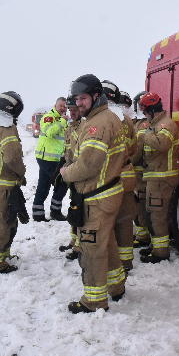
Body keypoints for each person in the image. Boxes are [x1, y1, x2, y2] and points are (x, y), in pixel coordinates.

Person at [60, 74, 127, 313]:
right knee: (105, 242)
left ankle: (95, 300)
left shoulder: (97, 124)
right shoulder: (104, 118)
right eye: (77, 99)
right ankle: (117, 285)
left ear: (96, 96)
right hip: (106, 192)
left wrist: (65, 172)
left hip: (98, 196)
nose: (79, 103)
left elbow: (88, 165)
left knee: (91, 249)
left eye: (84, 98)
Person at [0, 91, 29, 273]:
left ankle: (3, 254)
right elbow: (12, 158)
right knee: (2, 223)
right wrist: (21, 173)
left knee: (8, 220)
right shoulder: (7, 129)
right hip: (3, 184)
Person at [134, 91, 179, 263]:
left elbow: (162, 144)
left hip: (162, 179)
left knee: (158, 215)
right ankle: (156, 246)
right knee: (153, 214)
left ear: (152, 109)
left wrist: (145, 134)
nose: (143, 114)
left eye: (144, 111)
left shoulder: (165, 125)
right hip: (155, 177)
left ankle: (161, 253)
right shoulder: (155, 124)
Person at [102, 80, 137, 271]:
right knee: (124, 221)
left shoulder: (99, 120)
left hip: (107, 179)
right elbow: (133, 147)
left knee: (105, 222)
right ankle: (126, 261)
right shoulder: (126, 120)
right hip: (127, 175)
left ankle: (110, 262)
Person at [32, 97, 69, 222]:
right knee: (62, 183)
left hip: (56, 159)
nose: (63, 108)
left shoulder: (62, 119)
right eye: (61, 105)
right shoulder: (49, 117)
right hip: (47, 158)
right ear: (55, 105)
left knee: (44, 184)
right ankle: (55, 211)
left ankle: (38, 214)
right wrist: (63, 122)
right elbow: (50, 132)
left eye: (65, 106)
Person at [58, 95, 82, 260]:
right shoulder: (70, 127)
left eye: (74, 110)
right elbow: (68, 151)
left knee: (81, 212)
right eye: (70, 110)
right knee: (73, 208)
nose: (71, 113)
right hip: (71, 174)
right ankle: (73, 240)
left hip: (81, 175)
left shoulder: (84, 127)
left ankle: (80, 246)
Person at [131, 91, 151, 249]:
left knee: (141, 206)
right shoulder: (137, 122)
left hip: (140, 173)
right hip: (136, 173)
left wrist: (124, 161)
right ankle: (141, 234)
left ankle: (143, 236)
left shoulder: (144, 124)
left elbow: (138, 150)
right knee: (137, 205)